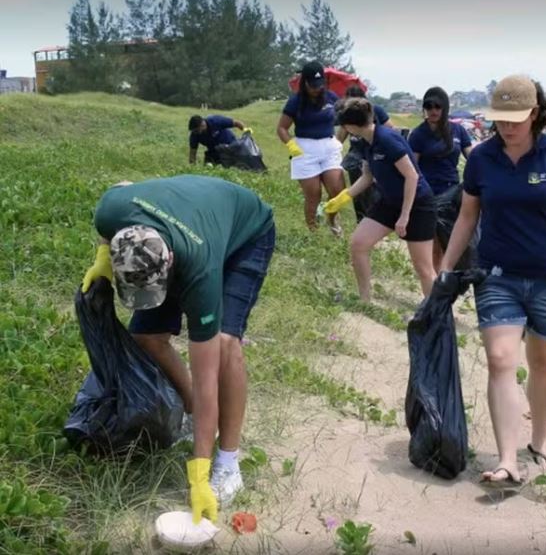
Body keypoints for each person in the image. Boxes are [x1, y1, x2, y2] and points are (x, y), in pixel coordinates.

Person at [439, 74, 546, 488]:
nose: (507, 126)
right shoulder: (480, 159)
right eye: (500, 119)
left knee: (542, 362)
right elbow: (467, 216)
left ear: (534, 113)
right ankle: (508, 459)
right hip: (497, 275)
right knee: (500, 359)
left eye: (515, 118)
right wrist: (445, 268)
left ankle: (538, 440)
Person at [80, 176, 275, 524]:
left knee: (227, 346)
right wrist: (101, 258)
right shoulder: (110, 212)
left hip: (247, 232)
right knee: (147, 337)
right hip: (189, 215)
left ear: (168, 261)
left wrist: (198, 474)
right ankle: (191, 415)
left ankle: (229, 461)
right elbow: (123, 185)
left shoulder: (200, 267)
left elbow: (207, 377)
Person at [323, 98, 437, 301]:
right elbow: (367, 176)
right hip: (389, 201)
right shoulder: (366, 141)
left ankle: (437, 313)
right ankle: (365, 300)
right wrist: (344, 196)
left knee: (423, 268)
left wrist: (404, 216)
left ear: (351, 126)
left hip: (417, 204)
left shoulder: (387, 140)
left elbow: (412, 176)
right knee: (358, 244)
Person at [408, 87, 474, 268]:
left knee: (455, 243)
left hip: (453, 193)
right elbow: (411, 169)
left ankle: (452, 280)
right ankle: (437, 286)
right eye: (428, 106)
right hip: (429, 194)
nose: (433, 111)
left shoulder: (458, 131)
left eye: (437, 106)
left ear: (444, 108)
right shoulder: (418, 134)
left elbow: (473, 157)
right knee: (435, 246)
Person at [277, 60, 345, 233]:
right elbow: (282, 128)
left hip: (329, 146)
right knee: (314, 194)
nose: (317, 88)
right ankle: (313, 230)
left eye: (320, 84)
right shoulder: (295, 102)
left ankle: (332, 220)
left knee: (337, 190)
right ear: (304, 82)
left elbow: (345, 120)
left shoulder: (331, 98)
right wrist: (290, 144)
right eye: (312, 85)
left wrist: (339, 140)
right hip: (305, 148)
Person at [336, 85, 393, 223]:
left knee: (375, 192)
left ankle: (376, 221)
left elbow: (390, 129)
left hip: (375, 153)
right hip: (356, 155)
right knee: (359, 193)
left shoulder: (375, 111)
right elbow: (339, 139)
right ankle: (362, 221)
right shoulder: (347, 114)